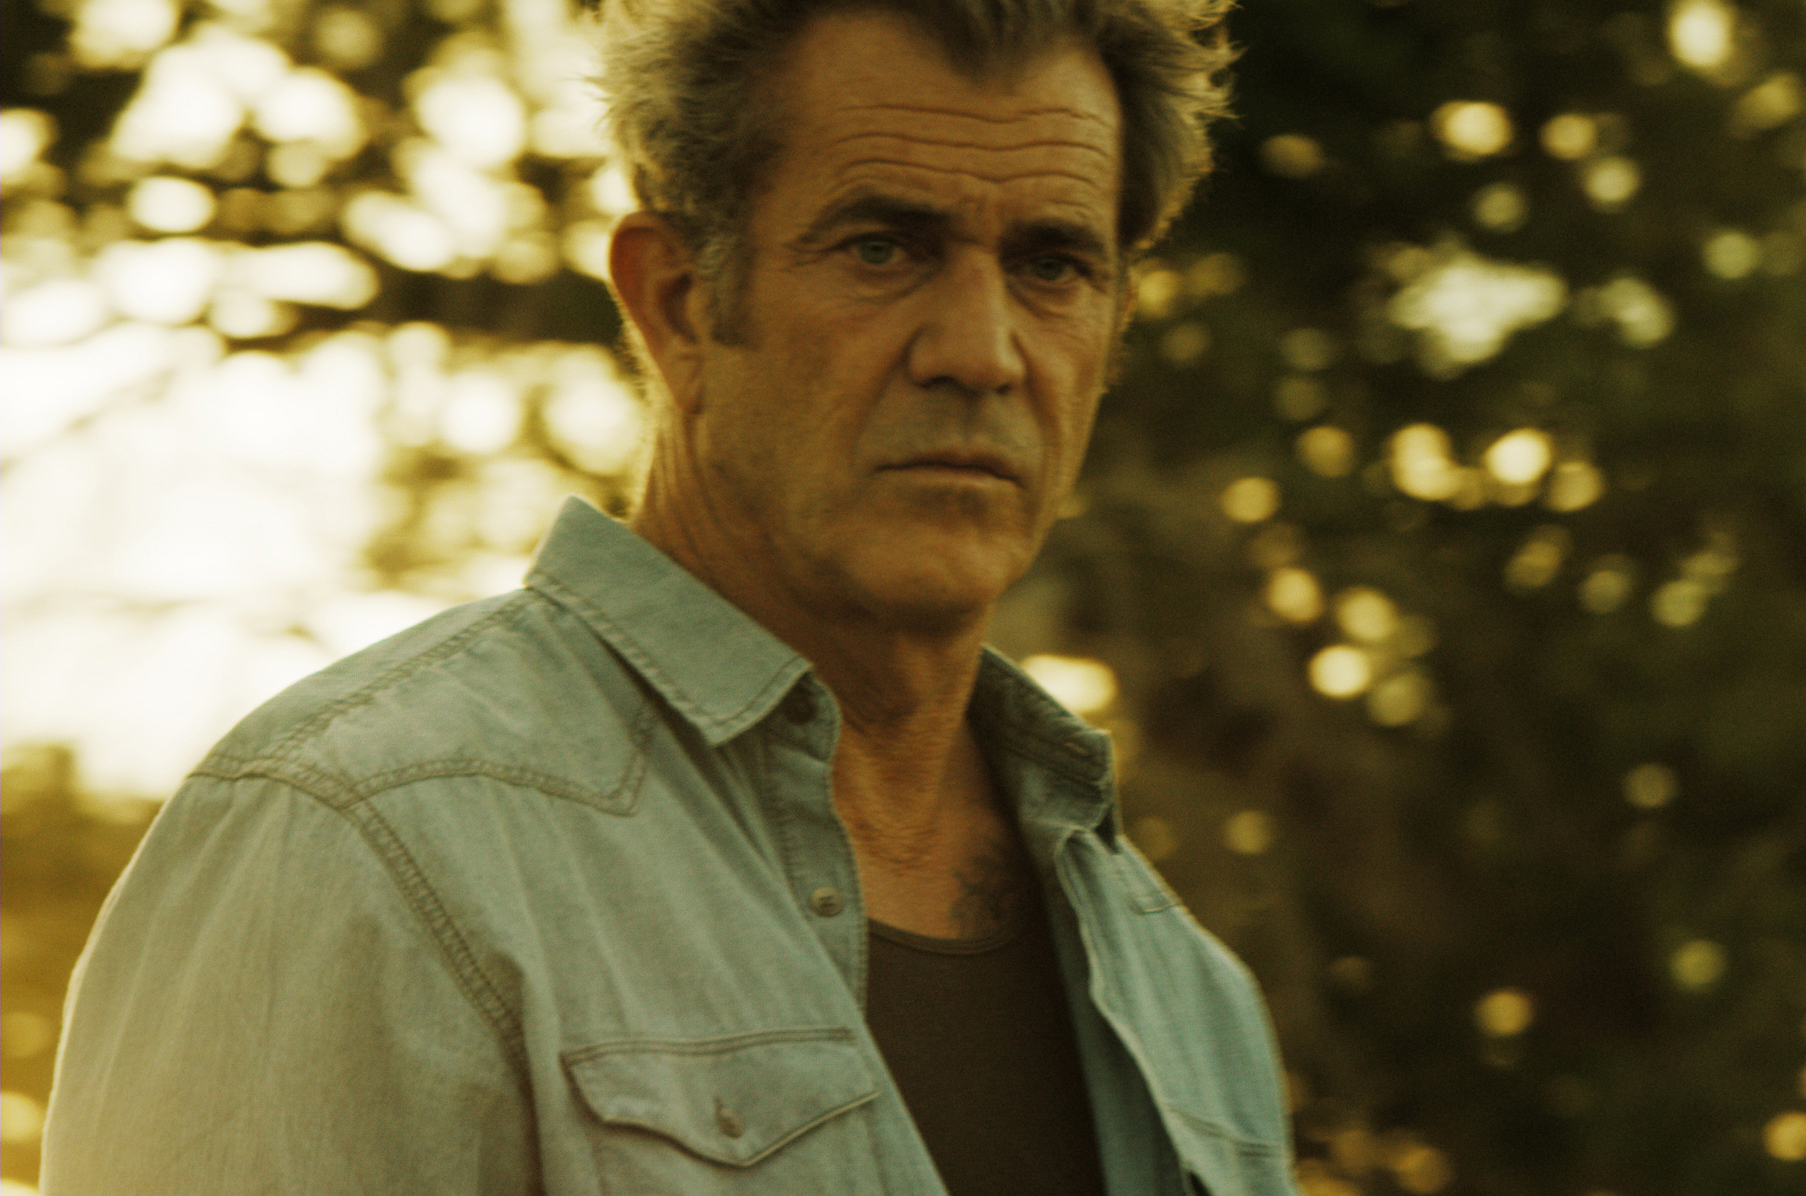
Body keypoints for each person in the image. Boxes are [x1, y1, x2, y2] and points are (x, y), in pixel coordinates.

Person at [40, 0, 1295, 1191]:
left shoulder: (1189, 998)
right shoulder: (356, 840)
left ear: (1113, 325)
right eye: (882, 248)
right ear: (679, 304)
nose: (981, 350)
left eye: (1052, 265)